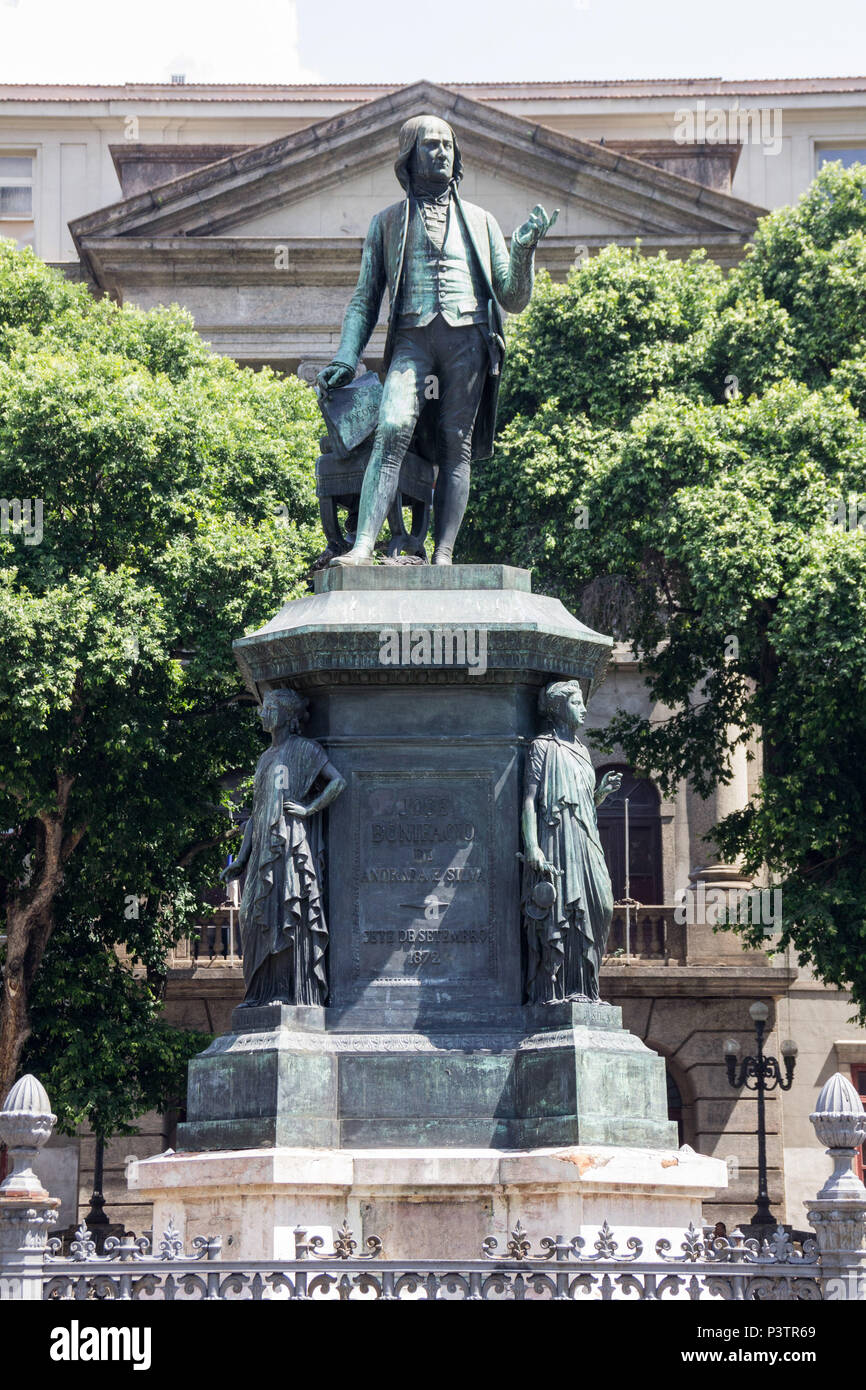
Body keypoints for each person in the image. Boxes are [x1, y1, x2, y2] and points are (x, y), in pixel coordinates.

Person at [317, 113, 557, 566]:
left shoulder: (482, 222)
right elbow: (365, 300)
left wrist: (523, 250)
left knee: (456, 445)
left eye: (448, 145)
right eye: (431, 145)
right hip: (413, 338)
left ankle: (444, 555)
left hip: (468, 340)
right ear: (409, 155)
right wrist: (347, 356)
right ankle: (363, 547)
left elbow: (512, 297)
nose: (442, 152)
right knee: (391, 428)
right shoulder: (386, 223)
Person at [221, 688, 346, 1007]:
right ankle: (261, 991)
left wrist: (309, 808)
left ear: (287, 717)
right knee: (256, 915)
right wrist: (242, 857)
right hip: (263, 844)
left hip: (290, 843)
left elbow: (338, 782)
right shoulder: (264, 758)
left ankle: (286, 992)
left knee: (286, 914)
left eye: (270, 707)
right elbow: (257, 812)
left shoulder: (305, 749)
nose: (263, 712)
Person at [521, 680, 622, 1003]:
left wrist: (601, 794)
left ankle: (587, 986)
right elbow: (529, 800)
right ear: (558, 708)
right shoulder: (542, 747)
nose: (583, 709)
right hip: (555, 839)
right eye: (576, 703)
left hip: (584, 838)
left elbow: (583, 805)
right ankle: (560, 992)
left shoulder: (581, 750)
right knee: (562, 911)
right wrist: (533, 846)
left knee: (602, 904)